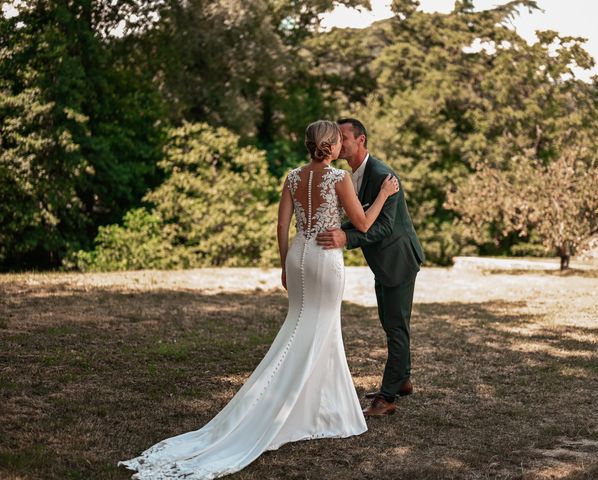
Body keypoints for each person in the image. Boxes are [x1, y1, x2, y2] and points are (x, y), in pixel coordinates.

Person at [118, 120, 399, 479]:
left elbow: (282, 226)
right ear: (330, 145)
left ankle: (316, 407)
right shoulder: (339, 178)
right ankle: (319, 411)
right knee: (323, 329)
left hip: (298, 254)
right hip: (324, 260)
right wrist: (383, 195)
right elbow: (361, 224)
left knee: (300, 327)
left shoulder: (293, 177)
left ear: (308, 143)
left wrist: (285, 264)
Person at [316, 118, 425, 417]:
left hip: (398, 259)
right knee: (391, 323)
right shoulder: (354, 174)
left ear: (360, 140)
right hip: (384, 263)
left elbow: (384, 228)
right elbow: (365, 217)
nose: (338, 141)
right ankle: (402, 381)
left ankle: (386, 398)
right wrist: (339, 226)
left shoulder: (382, 175)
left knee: (396, 328)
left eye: (344, 137)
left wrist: (345, 237)